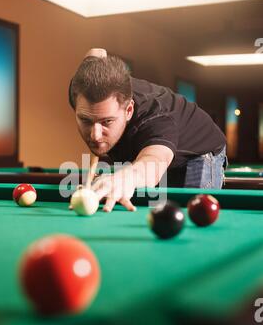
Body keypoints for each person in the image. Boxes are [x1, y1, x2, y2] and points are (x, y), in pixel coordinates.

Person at [68, 48, 227, 212]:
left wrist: (126, 177)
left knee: (192, 212)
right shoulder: (80, 88)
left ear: (128, 110)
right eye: (85, 120)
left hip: (199, 153)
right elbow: (97, 51)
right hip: (144, 146)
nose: (95, 135)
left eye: (107, 121)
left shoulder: (156, 118)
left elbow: (153, 163)